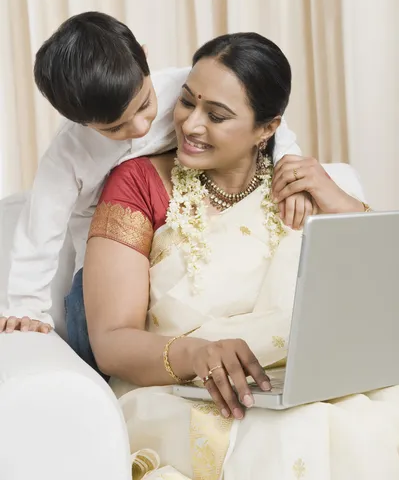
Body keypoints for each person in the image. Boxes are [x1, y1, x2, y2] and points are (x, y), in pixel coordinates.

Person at [83, 32, 393, 480]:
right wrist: (197, 355)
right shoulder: (138, 183)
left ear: (267, 127)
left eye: (218, 115)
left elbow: (382, 302)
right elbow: (111, 340)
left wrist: (339, 202)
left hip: (299, 387)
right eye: (188, 102)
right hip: (178, 390)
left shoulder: (299, 188)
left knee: (372, 424)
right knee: (289, 436)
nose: (190, 125)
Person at [0, 13, 303, 339]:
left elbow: (264, 120)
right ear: (82, 122)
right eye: (115, 128)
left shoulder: (181, 89)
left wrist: (290, 164)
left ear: (144, 57)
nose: (140, 128)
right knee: (90, 323)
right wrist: (26, 309)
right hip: (102, 265)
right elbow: (38, 233)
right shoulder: (68, 155)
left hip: (169, 249)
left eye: (145, 105)